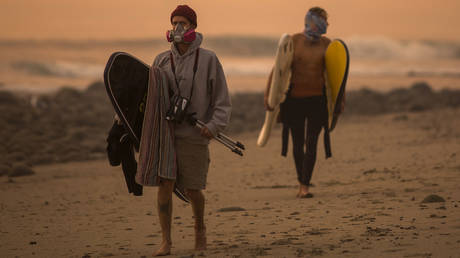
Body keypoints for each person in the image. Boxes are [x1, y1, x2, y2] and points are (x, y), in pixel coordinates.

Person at [148, 5, 231, 256]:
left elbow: (222, 100)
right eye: (174, 23)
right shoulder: (161, 60)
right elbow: (151, 99)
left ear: (193, 27)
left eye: (182, 23)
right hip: (167, 135)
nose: (177, 28)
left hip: (195, 136)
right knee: (165, 185)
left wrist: (214, 126)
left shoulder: (208, 59)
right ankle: (166, 241)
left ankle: (200, 230)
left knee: (194, 189)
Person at [264, 7, 343, 199]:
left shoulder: (328, 45)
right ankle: (301, 182)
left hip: (318, 100)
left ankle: (305, 185)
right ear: (312, 20)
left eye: (327, 20)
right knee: (298, 145)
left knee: (312, 143)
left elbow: (336, 77)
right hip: (294, 101)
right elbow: (278, 70)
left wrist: (340, 101)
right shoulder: (293, 41)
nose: (326, 24)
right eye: (323, 20)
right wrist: (269, 96)